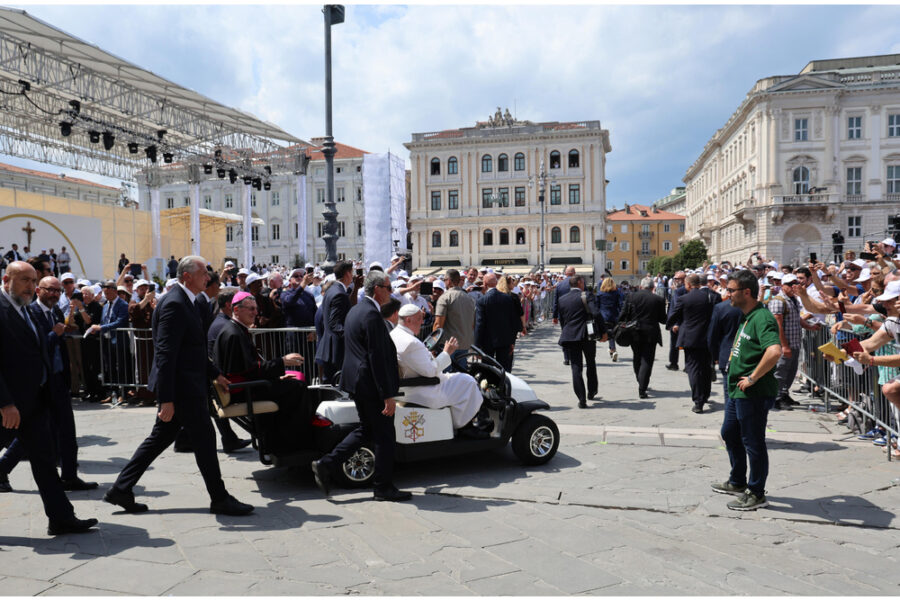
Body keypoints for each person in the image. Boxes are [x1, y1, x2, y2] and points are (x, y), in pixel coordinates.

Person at [103, 255, 253, 516]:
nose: (208, 277)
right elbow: (165, 353)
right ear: (187, 276)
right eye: (203, 273)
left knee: (160, 439)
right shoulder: (175, 303)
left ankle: (121, 488)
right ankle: (219, 498)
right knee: (203, 440)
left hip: (186, 385)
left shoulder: (186, 301)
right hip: (182, 390)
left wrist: (215, 373)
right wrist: (166, 398)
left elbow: (191, 349)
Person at [0, 262, 98, 534]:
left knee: (44, 459)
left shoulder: (25, 308)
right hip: (9, 404)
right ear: (7, 279)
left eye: (34, 281)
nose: (30, 287)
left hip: (34, 401)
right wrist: (5, 402)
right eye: (25, 281)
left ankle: (61, 517)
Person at [311, 270, 410, 502]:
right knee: (385, 436)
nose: (391, 292)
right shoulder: (371, 315)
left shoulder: (356, 309)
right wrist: (387, 394)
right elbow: (376, 357)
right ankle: (383, 486)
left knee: (366, 430)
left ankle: (327, 463)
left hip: (357, 382)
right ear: (377, 289)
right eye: (388, 287)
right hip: (370, 385)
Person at [713, 269, 782, 511]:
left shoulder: (762, 318)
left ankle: (756, 491)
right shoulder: (746, 315)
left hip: (752, 392)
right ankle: (737, 481)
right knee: (729, 432)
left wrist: (752, 378)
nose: (727, 293)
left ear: (747, 292)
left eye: (731, 290)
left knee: (753, 442)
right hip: (736, 390)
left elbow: (774, 351)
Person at [390, 304, 485, 435]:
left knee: (460, 379)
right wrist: (447, 352)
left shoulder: (394, 334)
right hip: (422, 388)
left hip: (409, 385)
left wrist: (429, 355)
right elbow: (430, 372)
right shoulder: (411, 342)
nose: (422, 322)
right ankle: (464, 426)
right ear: (408, 320)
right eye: (419, 319)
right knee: (468, 381)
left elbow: (419, 362)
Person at [668, 274, 717, 413]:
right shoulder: (712, 297)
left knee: (693, 368)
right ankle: (705, 395)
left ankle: (698, 400)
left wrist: (672, 324)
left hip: (690, 338)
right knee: (706, 367)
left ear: (688, 284)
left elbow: (673, 315)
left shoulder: (684, 298)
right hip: (707, 337)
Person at [558, 275, 607, 408]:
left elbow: (562, 319)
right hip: (587, 334)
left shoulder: (562, 299)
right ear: (579, 283)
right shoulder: (587, 295)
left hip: (571, 335)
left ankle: (581, 398)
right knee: (590, 362)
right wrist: (603, 331)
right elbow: (596, 313)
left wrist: (566, 332)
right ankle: (591, 391)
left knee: (576, 366)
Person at [625, 279, 666, 399]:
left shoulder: (631, 297)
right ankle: (642, 387)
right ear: (653, 287)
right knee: (647, 360)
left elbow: (624, 314)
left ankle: (640, 379)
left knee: (636, 357)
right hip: (651, 332)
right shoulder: (658, 299)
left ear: (641, 286)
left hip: (634, 331)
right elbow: (663, 319)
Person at [314, 260, 353, 383]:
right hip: (335, 351)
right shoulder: (339, 294)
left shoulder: (332, 290)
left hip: (330, 350)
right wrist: (353, 336)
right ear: (347, 274)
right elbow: (335, 324)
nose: (353, 276)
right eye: (352, 273)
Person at [474, 273, 521, 372]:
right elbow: (513, 321)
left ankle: (488, 386)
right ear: (496, 283)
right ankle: (504, 386)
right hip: (505, 340)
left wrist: (477, 345)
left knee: (487, 369)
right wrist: (512, 341)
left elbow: (480, 324)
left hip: (487, 341)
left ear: (484, 284)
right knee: (505, 369)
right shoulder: (508, 298)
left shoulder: (482, 300)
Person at [433, 269, 476, 371]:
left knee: (446, 379)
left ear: (448, 281)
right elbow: (472, 324)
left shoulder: (445, 297)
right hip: (464, 343)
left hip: (448, 345)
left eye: (444, 280)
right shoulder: (470, 299)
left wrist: (433, 346)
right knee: (460, 378)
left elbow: (438, 324)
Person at [552, 266, 576, 366]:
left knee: (565, 334)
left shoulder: (560, 285)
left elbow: (556, 302)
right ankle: (574, 356)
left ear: (566, 274)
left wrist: (555, 316)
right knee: (575, 334)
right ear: (574, 273)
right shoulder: (579, 282)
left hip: (563, 314)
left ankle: (566, 358)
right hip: (576, 313)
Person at [665, 271, 688, 371]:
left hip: (679, 322)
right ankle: (675, 363)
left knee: (678, 344)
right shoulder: (678, 289)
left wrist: (676, 323)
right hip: (679, 321)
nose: (675, 280)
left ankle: (675, 363)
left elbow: (678, 308)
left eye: (677, 279)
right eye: (675, 278)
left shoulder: (681, 290)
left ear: (683, 280)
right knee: (677, 344)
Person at [597, 276, 623, 362]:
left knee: (609, 333)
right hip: (614, 315)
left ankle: (613, 349)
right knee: (611, 333)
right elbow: (620, 304)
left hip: (603, 316)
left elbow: (597, 306)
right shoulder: (617, 293)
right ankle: (612, 349)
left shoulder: (600, 294)